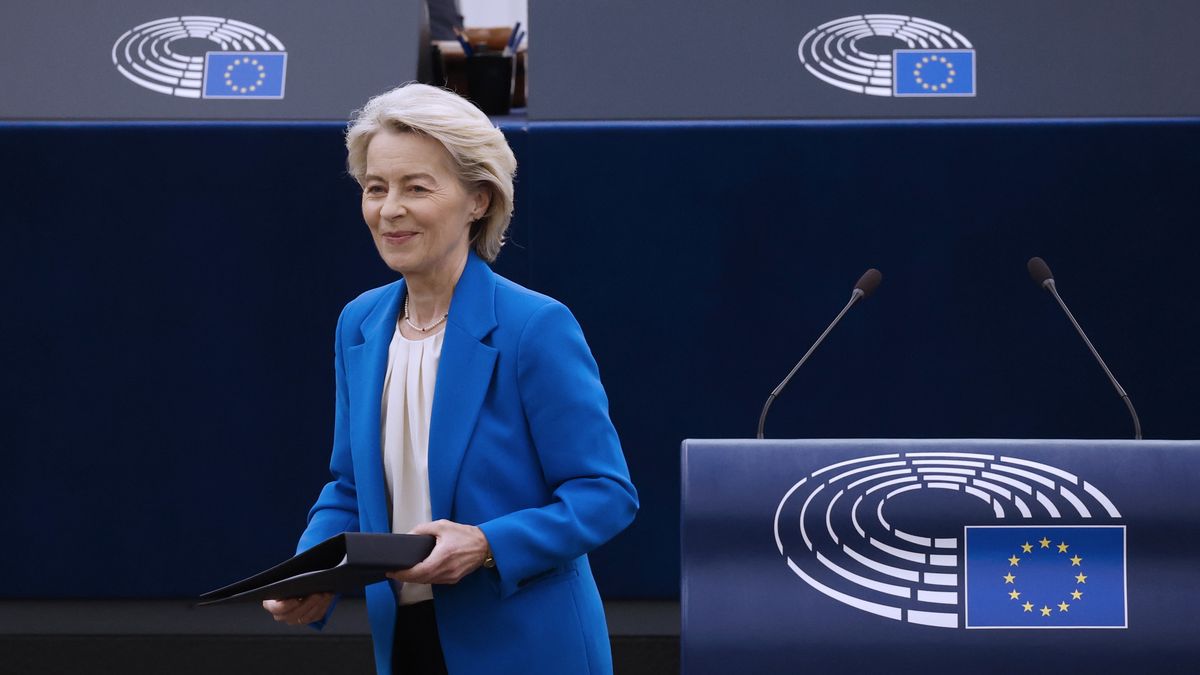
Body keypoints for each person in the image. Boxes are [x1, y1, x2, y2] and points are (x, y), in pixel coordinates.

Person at [261, 83, 638, 675]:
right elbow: (350, 489)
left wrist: (487, 545)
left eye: (417, 187)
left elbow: (605, 495)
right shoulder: (358, 323)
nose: (389, 209)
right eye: (375, 188)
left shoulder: (534, 326)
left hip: (528, 648)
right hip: (405, 640)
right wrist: (311, 571)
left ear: (479, 200)